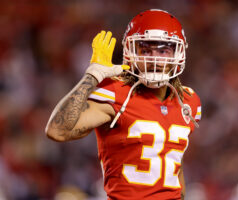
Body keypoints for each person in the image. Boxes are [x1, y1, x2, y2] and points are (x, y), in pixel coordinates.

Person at [45, 9, 202, 200]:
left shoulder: (188, 100)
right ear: (130, 52)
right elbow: (56, 131)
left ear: (178, 53)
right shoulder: (115, 92)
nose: (154, 60)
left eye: (163, 50)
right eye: (145, 50)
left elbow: (175, 165)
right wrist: (92, 76)